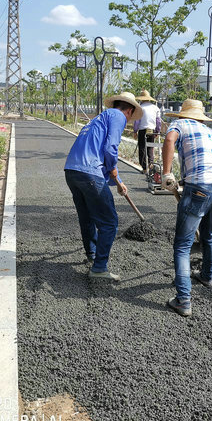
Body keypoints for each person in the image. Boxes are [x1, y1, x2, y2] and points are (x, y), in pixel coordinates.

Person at [64, 91, 143, 281]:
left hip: (72, 171)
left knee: (88, 217)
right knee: (109, 222)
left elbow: (97, 151)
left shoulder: (100, 118)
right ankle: (99, 267)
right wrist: (113, 168)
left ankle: (92, 254)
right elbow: (110, 148)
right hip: (89, 172)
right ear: (129, 111)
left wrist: (118, 182)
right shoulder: (118, 116)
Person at [161, 99, 212, 317]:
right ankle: (207, 276)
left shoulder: (179, 125)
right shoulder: (211, 132)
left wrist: (166, 173)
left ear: (183, 115)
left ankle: (183, 300)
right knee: (209, 234)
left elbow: (169, 139)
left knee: (182, 244)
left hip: (199, 187)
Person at [133, 89, 162, 173]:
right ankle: (151, 165)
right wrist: (157, 131)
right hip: (152, 130)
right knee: (150, 148)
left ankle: (144, 168)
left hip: (142, 130)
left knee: (142, 148)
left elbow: (137, 121)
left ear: (141, 99)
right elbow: (158, 121)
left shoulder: (140, 108)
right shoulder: (155, 108)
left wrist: (135, 131)